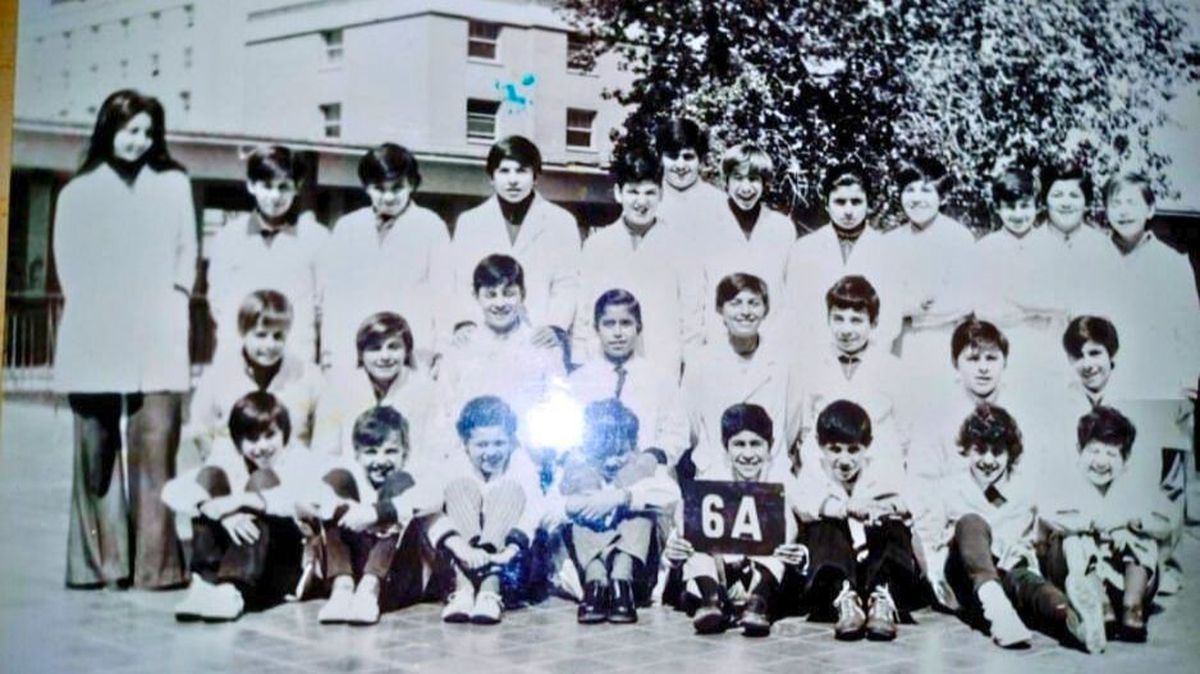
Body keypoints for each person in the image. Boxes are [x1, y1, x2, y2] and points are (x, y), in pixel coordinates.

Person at [53, 89, 197, 589]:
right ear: (108, 130)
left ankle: (156, 567)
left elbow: (186, 251)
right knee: (94, 453)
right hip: (96, 331)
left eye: (147, 132)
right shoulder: (79, 192)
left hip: (159, 333)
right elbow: (69, 264)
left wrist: (175, 299)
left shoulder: (174, 184)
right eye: (128, 130)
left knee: (156, 446)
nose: (138, 141)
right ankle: (100, 564)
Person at [917, 404, 1098, 650]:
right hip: (967, 579)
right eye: (980, 450)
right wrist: (941, 572)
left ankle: (1077, 621)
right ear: (967, 449)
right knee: (971, 522)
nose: (988, 461)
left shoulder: (1024, 489)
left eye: (997, 452)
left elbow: (1054, 521)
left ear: (1010, 453)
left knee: (1038, 590)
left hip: (1011, 572)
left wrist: (1027, 548)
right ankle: (999, 611)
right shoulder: (950, 489)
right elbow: (927, 539)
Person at [1037, 407, 1175, 651]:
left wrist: (1132, 524)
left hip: (1123, 579)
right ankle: (1098, 604)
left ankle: (1132, 606)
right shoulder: (1068, 483)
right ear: (1079, 451)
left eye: (1111, 454)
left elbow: (1167, 520)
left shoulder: (1132, 487)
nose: (1101, 462)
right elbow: (1047, 514)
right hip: (1079, 574)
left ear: (1126, 460)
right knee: (1073, 539)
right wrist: (1098, 524)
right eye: (1094, 451)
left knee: (1143, 535)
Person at [663, 404, 807, 636]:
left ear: (769, 447)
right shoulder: (713, 480)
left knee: (780, 527)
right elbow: (684, 515)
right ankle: (710, 602)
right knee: (695, 538)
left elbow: (798, 519)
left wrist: (795, 552)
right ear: (726, 448)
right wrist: (676, 547)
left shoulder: (780, 481)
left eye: (756, 444)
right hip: (720, 574)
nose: (748, 454)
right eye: (739, 444)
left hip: (760, 575)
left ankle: (757, 603)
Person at [164, 392, 310, 621]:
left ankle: (232, 588)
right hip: (243, 560)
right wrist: (220, 512)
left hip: (281, 565)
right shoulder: (233, 461)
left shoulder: (298, 458)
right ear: (238, 442)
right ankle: (205, 585)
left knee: (262, 480)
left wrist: (241, 501)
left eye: (270, 436)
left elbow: (304, 502)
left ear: (285, 433)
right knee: (210, 476)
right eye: (252, 439)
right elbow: (172, 492)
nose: (262, 446)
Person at [792, 400, 924, 641]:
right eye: (835, 449)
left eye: (853, 450)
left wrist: (883, 508)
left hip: (875, 563)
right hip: (837, 566)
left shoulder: (882, 469)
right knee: (823, 525)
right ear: (820, 445)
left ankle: (881, 598)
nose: (844, 460)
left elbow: (910, 499)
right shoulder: (814, 472)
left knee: (893, 526)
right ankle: (845, 600)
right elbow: (803, 503)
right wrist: (846, 508)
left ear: (867, 445)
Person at [318, 143, 451, 370]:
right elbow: (334, 297)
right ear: (366, 188)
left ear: (411, 184)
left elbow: (444, 292)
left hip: (412, 348)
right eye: (379, 189)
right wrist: (328, 352)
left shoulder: (431, 226)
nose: (388, 197)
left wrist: (442, 351)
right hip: (355, 348)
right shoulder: (347, 227)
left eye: (397, 188)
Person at [574, 147, 705, 375]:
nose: (641, 202)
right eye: (633, 192)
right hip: (606, 365)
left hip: (662, 364)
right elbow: (584, 315)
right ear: (618, 193)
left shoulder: (683, 246)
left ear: (661, 194)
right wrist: (581, 363)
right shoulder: (597, 245)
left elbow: (692, 319)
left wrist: (692, 372)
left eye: (650, 193)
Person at [449, 136, 582, 351]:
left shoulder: (561, 222)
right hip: (484, 338)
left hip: (540, 339)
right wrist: (466, 321)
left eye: (521, 171)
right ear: (491, 177)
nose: (513, 180)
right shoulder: (470, 222)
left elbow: (567, 284)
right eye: (504, 171)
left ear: (535, 176)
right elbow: (461, 282)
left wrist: (555, 326)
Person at [311, 406, 441, 625]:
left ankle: (370, 588)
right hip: (354, 573)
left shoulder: (410, 477)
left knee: (398, 482)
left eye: (390, 451)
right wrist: (344, 509)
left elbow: (436, 497)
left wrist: (376, 513)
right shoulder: (352, 480)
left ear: (405, 453)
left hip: (395, 579)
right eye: (371, 452)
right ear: (357, 454)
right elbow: (310, 499)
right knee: (337, 480)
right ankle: (342, 589)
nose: (380, 461)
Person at [560, 399, 680, 624]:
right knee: (584, 514)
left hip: (638, 575)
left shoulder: (645, 467)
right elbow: (551, 508)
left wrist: (621, 497)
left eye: (621, 453)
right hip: (590, 573)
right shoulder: (579, 469)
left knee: (640, 510)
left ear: (634, 446)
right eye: (602, 455)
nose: (611, 462)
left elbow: (671, 493)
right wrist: (579, 504)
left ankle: (620, 581)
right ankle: (596, 582)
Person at [427, 396, 544, 625]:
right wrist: (462, 549)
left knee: (509, 489)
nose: (491, 452)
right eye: (481, 445)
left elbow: (534, 509)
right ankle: (464, 590)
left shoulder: (521, 463)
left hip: (506, 560)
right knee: (460, 487)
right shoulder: (453, 463)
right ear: (465, 444)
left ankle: (490, 591)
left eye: (499, 443)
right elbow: (430, 513)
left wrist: (510, 549)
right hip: (460, 558)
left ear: (511, 440)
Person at [205, 145, 328, 362]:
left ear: (297, 187)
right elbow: (218, 302)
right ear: (251, 185)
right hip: (239, 353)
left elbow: (323, 304)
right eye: (267, 186)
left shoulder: (317, 238)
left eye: (284, 187)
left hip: (296, 353)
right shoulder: (229, 237)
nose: (275, 196)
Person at [436, 255, 567, 452]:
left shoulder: (543, 347)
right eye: (490, 295)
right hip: (467, 456)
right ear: (476, 296)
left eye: (508, 293)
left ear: (522, 294)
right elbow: (442, 414)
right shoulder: (461, 348)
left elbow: (558, 410)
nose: (500, 303)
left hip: (527, 455)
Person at [681, 273, 803, 479]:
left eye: (754, 303)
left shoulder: (784, 361)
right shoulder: (700, 361)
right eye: (735, 303)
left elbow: (792, 423)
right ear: (720, 309)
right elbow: (691, 425)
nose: (745, 312)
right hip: (715, 473)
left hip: (771, 474)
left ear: (765, 310)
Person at [184, 290, 323, 460]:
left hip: (292, 469)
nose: (270, 345)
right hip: (234, 470)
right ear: (243, 332)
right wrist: (222, 461)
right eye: (261, 335)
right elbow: (200, 429)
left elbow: (326, 435)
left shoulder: (308, 376)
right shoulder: (217, 376)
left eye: (278, 336)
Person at [1098, 172, 1200, 402]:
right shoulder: (1092, 256)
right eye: (1116, 204)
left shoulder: (1173, 263)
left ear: (1150, 209)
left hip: (1159, 382)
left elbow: (1189, 327)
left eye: (1131, 203)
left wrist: (1189, 384)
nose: (1123, 211)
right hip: (1102, 385)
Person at [794, 275, 908, 475]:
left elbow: (905, 433)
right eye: (838, 319)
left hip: (878, 470)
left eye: (856, 320)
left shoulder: (893, 369)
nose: (846, 330)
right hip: (825, 472)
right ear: (828, 319)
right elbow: (806, 427)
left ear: (873, 323)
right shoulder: (812, 367)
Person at [568, 289, 689, 470]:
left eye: (625, 323)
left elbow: (677, 434)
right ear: (596, 328)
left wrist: (650, 459)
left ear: (638, 327)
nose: (617, 333)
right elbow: (568, 435)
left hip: (647, 474)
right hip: (592, 474)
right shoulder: (578, 381)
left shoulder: (660, 379)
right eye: (609, 324)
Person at [781, 162, 896, 351]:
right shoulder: (804, 249)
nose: (848, 211)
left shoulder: (887, 250)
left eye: (856, 202)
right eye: (840, 202)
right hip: (816, 350)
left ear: (868, 203)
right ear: (827, 203)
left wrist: (866, 348)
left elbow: (892, 313)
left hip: (871, 352)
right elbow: (795, 308)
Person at [884, 156, 976, 387]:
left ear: (941, 196)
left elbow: (964, 301)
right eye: (910, 190)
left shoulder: (959, 238)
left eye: (926, 191)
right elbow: (881, 299)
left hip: (944, 341)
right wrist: (912, 304)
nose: (917, 199)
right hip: (898, 344)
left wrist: (911, 309)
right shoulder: (888, 242)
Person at [972, 168, 1066, 388]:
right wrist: (1036, 308)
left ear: (1037, 206)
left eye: (1025, 206)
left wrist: (1017, 301)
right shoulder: (985, 249)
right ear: (997, 208)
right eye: (1010, 207)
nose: (1018, 214)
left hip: (1045, 346)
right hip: (1000, 346)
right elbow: (984, 308)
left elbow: (1061, 302)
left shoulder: (1053, 247)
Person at [697, 144, 797, 341]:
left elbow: (790, 292)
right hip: (718, 339)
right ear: (726, 180)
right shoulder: (706, 226)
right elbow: (696, 293)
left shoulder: (782, 228)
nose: (746, 188)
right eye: (738, 178)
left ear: (764, 183)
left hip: (770, 339)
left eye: (753, 179)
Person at [310, 312, 438, 460]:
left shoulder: (427, 391)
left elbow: (435, 455)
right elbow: (323, 456)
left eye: (393, 347)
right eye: (375, 348)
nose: (385, 356)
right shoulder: (337, 392)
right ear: (361, 354)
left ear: (407, 351)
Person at [654, 117, 728, 247]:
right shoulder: (645, 203)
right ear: (660, 158)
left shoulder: (721, 205)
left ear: (701, 160)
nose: (680, 166)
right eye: (672, 156)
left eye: (688, 157)